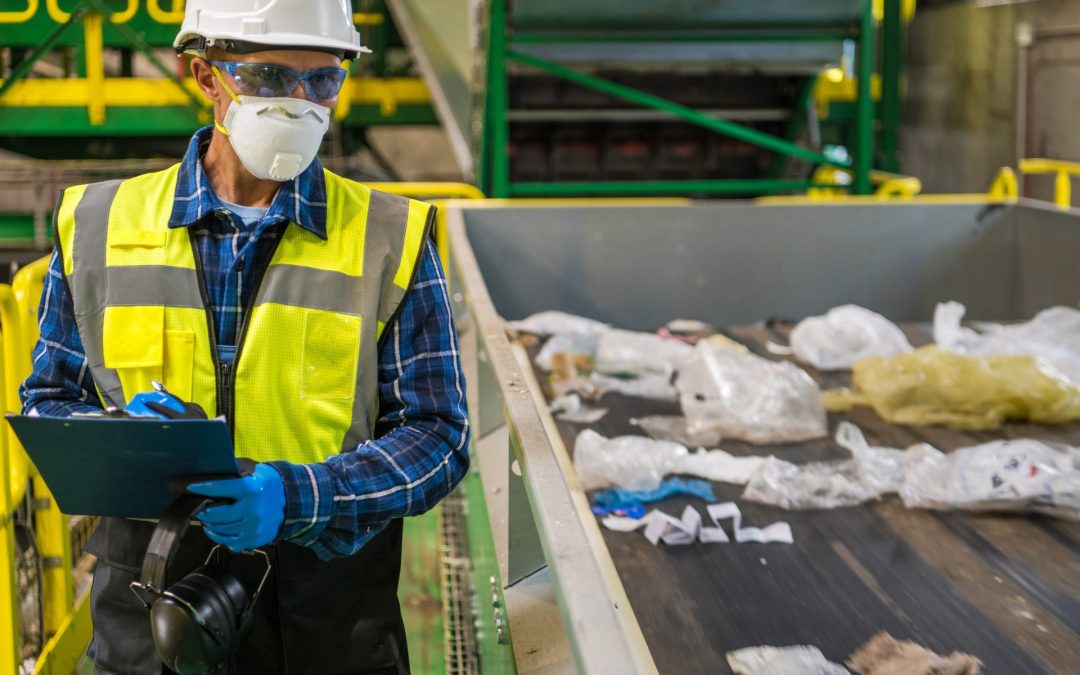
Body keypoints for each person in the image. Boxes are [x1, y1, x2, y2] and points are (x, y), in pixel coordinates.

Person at [20, 1, 470, 672]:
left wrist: (299, 495)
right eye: (266, 75)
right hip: (152, 610)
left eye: (323, 80)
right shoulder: (98, 226)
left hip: (326, 621)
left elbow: (439, 435)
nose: (299, 102)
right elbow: (48, 402)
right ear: (205, 76)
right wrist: (113, 433)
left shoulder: (389, 238)